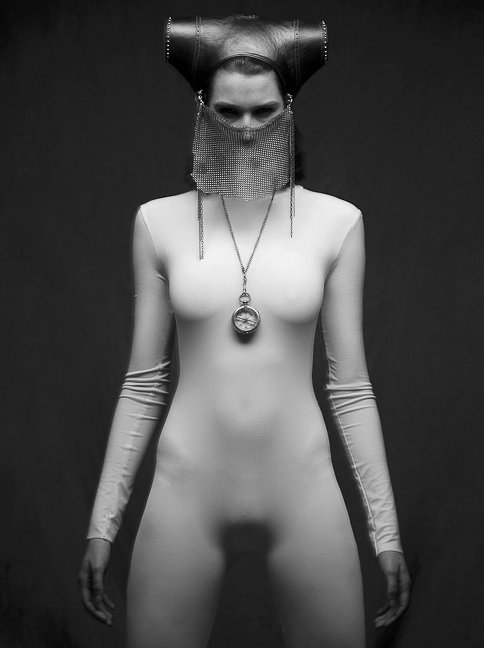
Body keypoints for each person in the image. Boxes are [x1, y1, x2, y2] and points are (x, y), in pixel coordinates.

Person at [78, 15, 411, 648]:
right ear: (202, 108)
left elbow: (351, 388)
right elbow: (144, 383)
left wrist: (385, 532)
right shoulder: (158, 223)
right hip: (186, 492)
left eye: (264, 111)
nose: (247, 128)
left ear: (288, 108)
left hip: (303, 492)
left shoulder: (337, 222)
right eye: (228, 111)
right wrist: (103, 523)